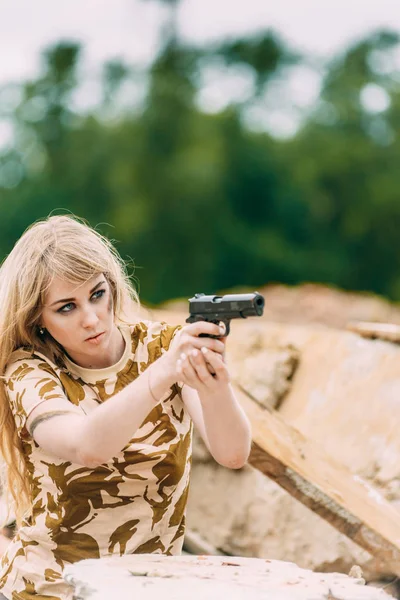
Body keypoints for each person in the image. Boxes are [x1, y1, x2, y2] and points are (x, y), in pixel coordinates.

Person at [0, 215, 251, 600]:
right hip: (52, 590)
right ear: (39, 320)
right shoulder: (30, 369)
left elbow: (233, 453)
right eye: (66, 307)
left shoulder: (163, 346)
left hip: (151, 591)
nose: (91, 318)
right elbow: (88, 447)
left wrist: (216, 386)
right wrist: (160, 375)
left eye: (97, 294)